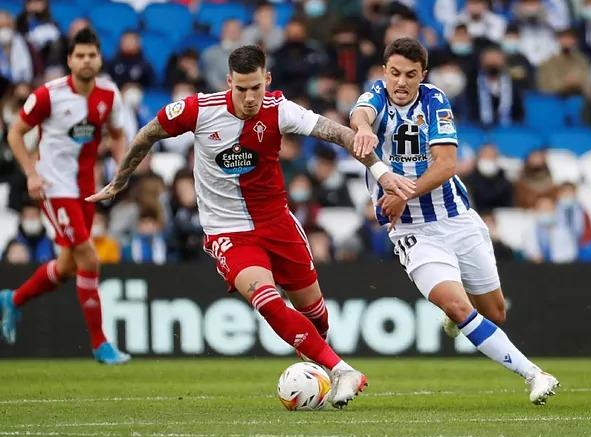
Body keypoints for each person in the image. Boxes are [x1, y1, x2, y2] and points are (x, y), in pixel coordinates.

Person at [86, 45, 415, 408]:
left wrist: (382, 172)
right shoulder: (199, 110)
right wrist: (120, 180)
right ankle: (342, 370)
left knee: (316, 313)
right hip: (228, 231)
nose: (249, 97)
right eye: (241, 89)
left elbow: (337, 134)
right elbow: (148, 133)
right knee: (268, 302)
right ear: (229, 82)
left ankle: (319, 373)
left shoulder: (279, 110)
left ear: (267, 80)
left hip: (277, 223)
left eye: (255, 88)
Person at [350, 37, 559, 405]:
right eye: (394, 73)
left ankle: (454, 317)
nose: (401, 82)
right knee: (461, 307)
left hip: (456, 218)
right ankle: (535, 374)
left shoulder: (434, 101)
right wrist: (363, 128)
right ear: (384, 72)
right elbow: (359, 115)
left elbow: (446, 165)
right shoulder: (376, 98)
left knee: (495, 314)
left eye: (410, 75)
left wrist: (401, 193)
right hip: (413, 232)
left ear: (422, 75)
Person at [0, 29, 130, 364]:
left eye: (92, 55)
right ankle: (100, 344)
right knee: (88, 258)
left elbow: (117, 135)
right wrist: (30, 172)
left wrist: (121, 169)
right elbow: (15, 132)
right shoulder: (48, 95)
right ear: (70, 60)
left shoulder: (108, 94)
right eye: (80, 55)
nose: (87, 61)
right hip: (54, 187)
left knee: (68, 264)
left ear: (99, 58)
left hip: (87, 190)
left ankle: (13, 299)